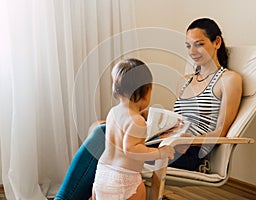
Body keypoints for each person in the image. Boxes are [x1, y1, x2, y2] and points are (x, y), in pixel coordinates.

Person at [55, 17, 242, 200]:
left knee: (103, 133)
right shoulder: (185, 81)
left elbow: (221, 132)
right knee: (102, 128)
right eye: (188, 46)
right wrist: (144, 117)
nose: (192, 51)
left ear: (216, 42)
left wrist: (190, 139)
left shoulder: (229, 80)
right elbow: (177, 120)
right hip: (168, 141)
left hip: (189, 151)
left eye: (199, 44)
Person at [91, 58, 175, 200]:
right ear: (146, 91)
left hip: (102, 174)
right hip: (124, 178)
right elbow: (131, 149)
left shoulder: (113, 112)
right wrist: (160, 152)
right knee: (140, 191)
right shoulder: (137, 120)